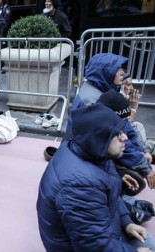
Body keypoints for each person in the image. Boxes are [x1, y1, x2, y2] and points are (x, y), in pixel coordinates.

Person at [37, 103, 155, 251]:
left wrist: (126, 222)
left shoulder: (92, 153)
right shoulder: (80, 185)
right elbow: (93, 246)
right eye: (117, 134)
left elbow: (110, 195)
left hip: (102, 232)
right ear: (99, 138)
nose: (124, 137)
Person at [66, 53, 155, 190]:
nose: (122, 72)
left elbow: (125, 127)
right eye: (117, 69)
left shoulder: (102, 88)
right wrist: (143, 166)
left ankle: (145, 152)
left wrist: (141, 151)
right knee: (134, 182)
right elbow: (117, 136)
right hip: (86, 153)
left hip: (89, 148)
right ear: (105, 73)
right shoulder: (94, 100)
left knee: (137, 128)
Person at [97, 90, 154, 195]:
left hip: (108, 164)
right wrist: (144, 167)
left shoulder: (119, 119)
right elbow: (126, 149)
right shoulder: (102, 129)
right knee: (137, 182)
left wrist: (142, 151)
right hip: (102, 169)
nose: (124, 136)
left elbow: (130, 134)